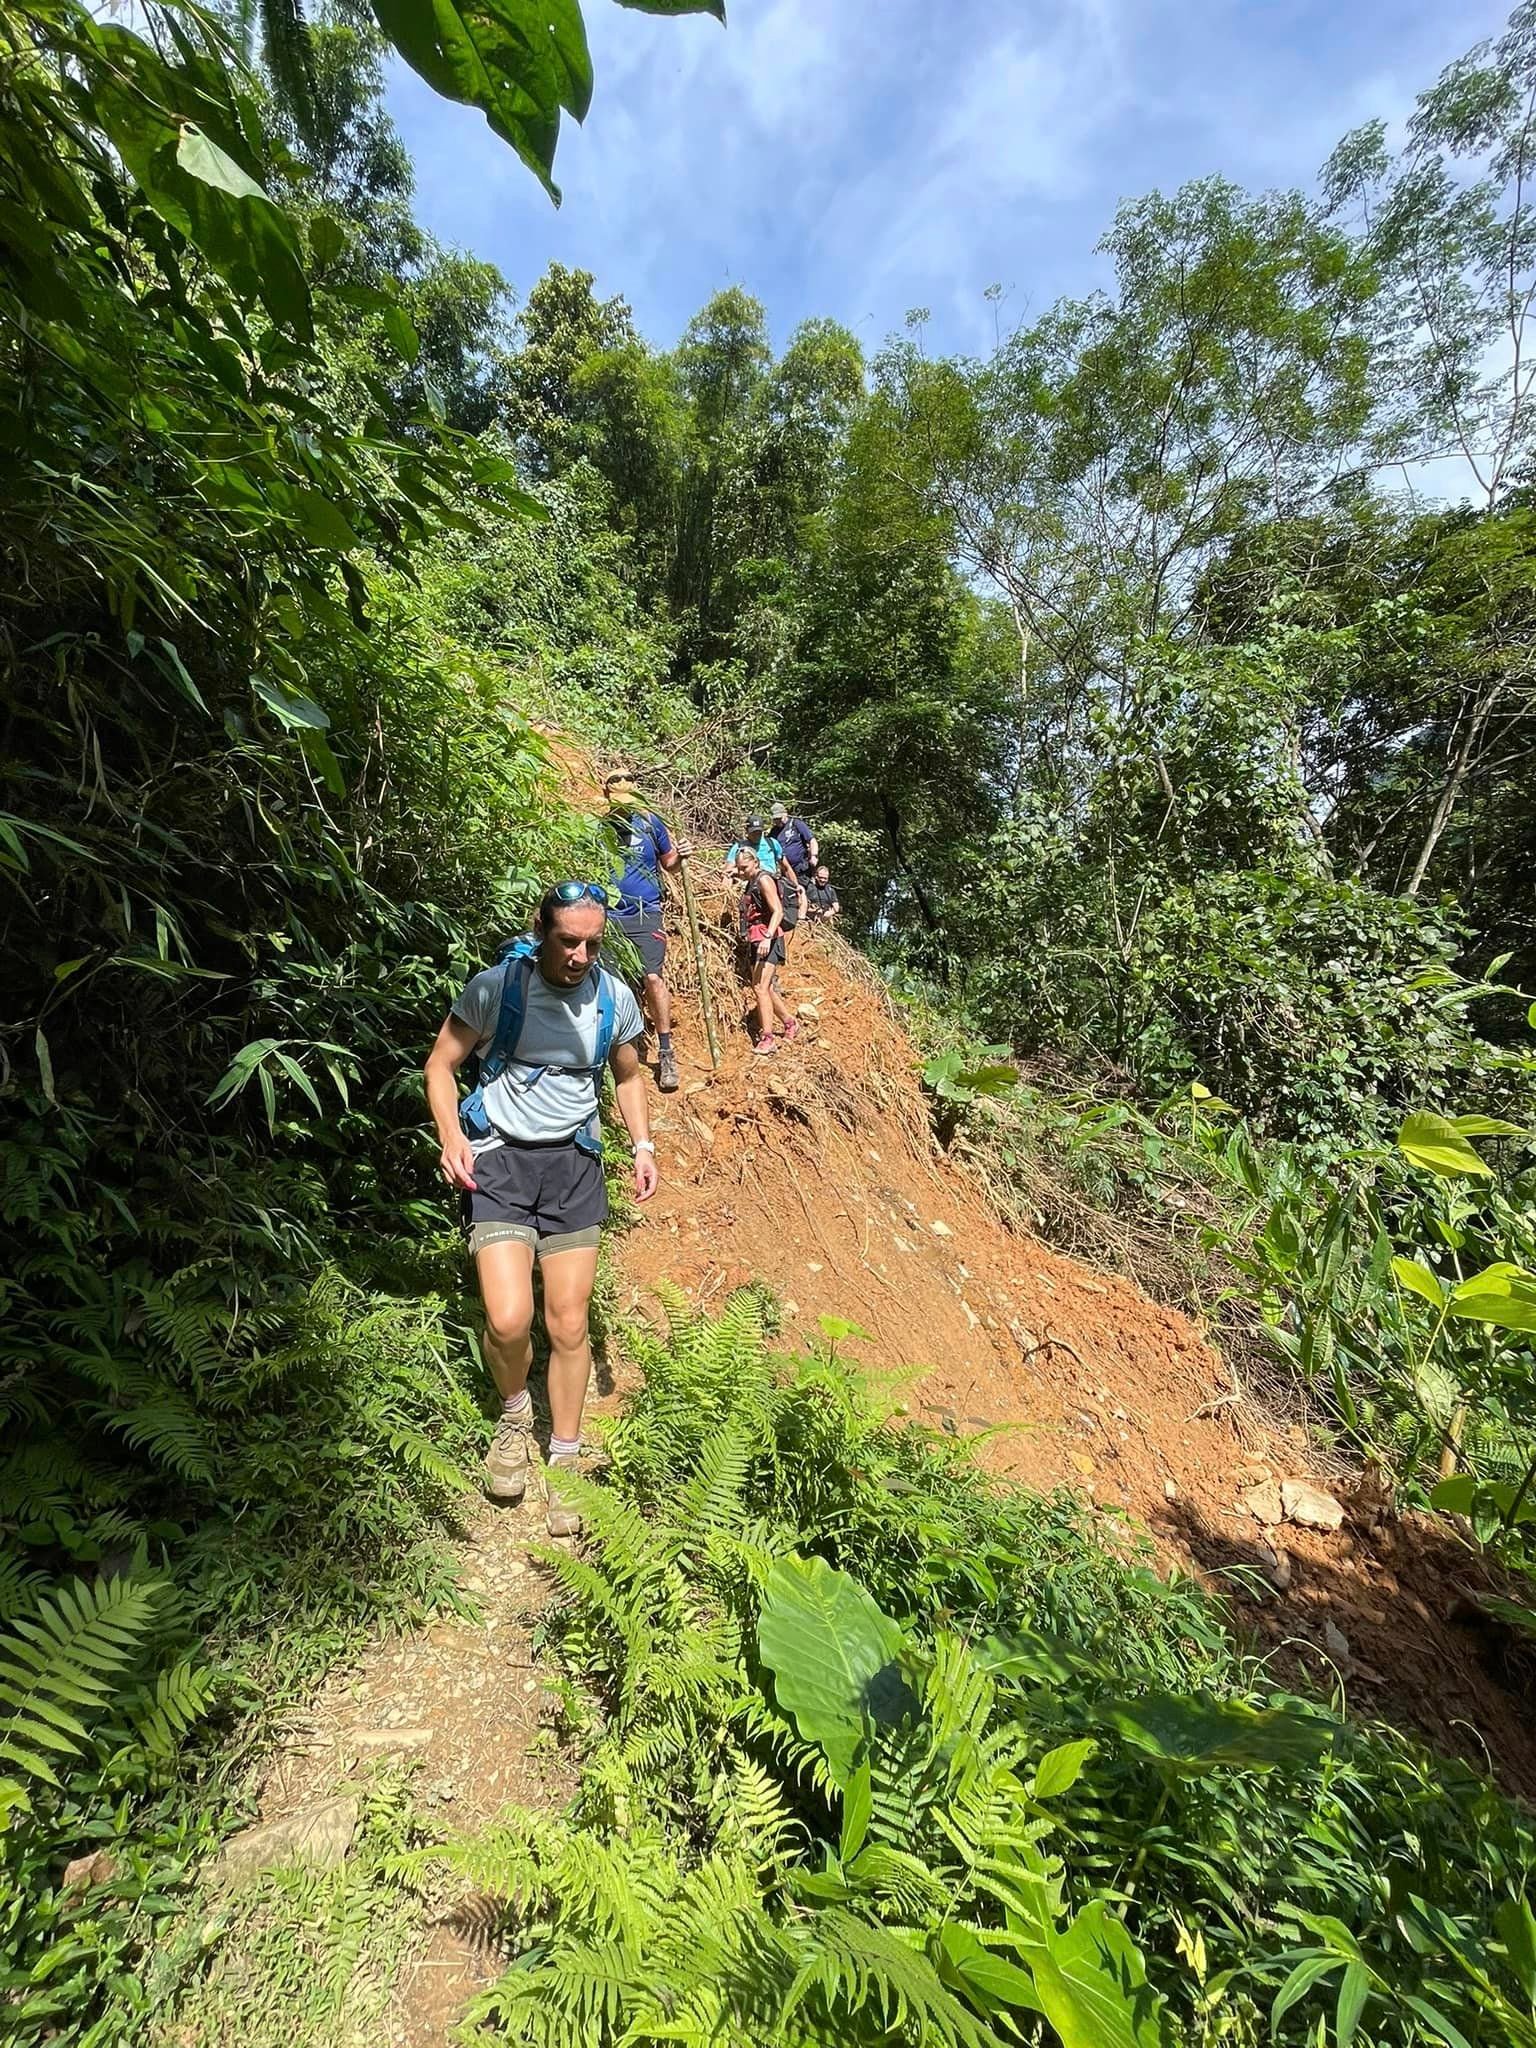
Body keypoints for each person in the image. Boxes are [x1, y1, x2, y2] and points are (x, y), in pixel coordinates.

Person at [423, 881, 657, 1536]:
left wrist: (642, 1145)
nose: (581, 956)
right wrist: (451, 1135)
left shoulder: (613, 998)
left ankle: (565, 1458)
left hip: (574, 1166)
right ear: (542, 931)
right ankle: (515, 1411)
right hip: (498, 1160)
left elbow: (629, 1076)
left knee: (569, 1324)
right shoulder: (498, 988)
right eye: (567, 941)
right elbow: (440, 1065)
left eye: (593, 943)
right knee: (506, 1320)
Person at [601, 769, 689, 1093]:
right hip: (610, 916)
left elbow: (671, 864)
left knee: (653, 978)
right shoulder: (601, 828)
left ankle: (665, 1051)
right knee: (614, 986)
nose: (623, 808)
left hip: (646, 914)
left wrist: (682, 856)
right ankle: (616, 1052)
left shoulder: (651, 824)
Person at [734, 846, 799, 1055]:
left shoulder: (763, 880)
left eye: (744, 867)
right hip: (757, 939)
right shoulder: (750, 883)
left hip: (768, 939)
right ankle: (790, 1023)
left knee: (760, 987)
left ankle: (768, 1038)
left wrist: (768, 937)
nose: (741, 872)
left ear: (755, 863)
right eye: (739, 869)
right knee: (765, 987)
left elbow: (777, 911)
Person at [768, 801, 818, 888]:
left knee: (803, 890)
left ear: (785, 814)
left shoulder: (796, 824)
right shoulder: (774, 831)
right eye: (775, 819)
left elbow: (812, 840)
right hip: (785, 870)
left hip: (800, 869)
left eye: (779, 818)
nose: (777, 821)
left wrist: (813, 856)